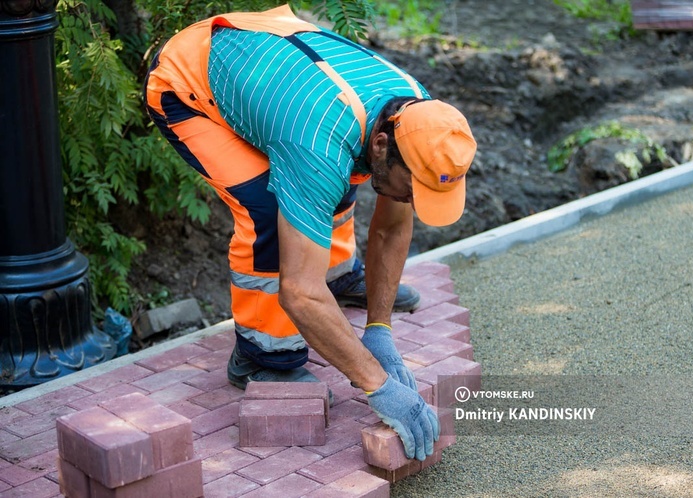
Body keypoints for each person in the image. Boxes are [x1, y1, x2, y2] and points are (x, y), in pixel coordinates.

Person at [144, 5, 476, 461]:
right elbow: (299, 293)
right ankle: (262, 356)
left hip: (278, 71)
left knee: (338, 178)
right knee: (269, 210)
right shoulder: (319, 143)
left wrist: (379, 330)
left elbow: (392, 223)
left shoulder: (418, 114)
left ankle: (337, 275)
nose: (415, 202)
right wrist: (378, 385)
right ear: (382, 144)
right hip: (189, 81)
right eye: (414, 189)